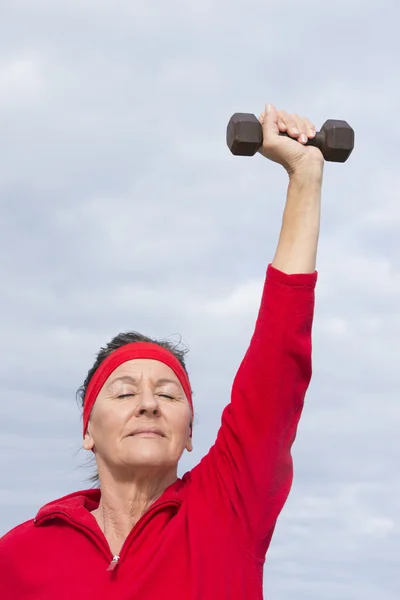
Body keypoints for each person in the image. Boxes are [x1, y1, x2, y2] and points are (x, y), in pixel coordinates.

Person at [0, 103, 324, 599]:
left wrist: (304, 177)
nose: (148, 403)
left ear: (190, 434)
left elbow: (278, 362)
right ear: (87, 430)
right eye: (125, 392)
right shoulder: (19, 556)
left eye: (169, 395)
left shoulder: (227, 509)